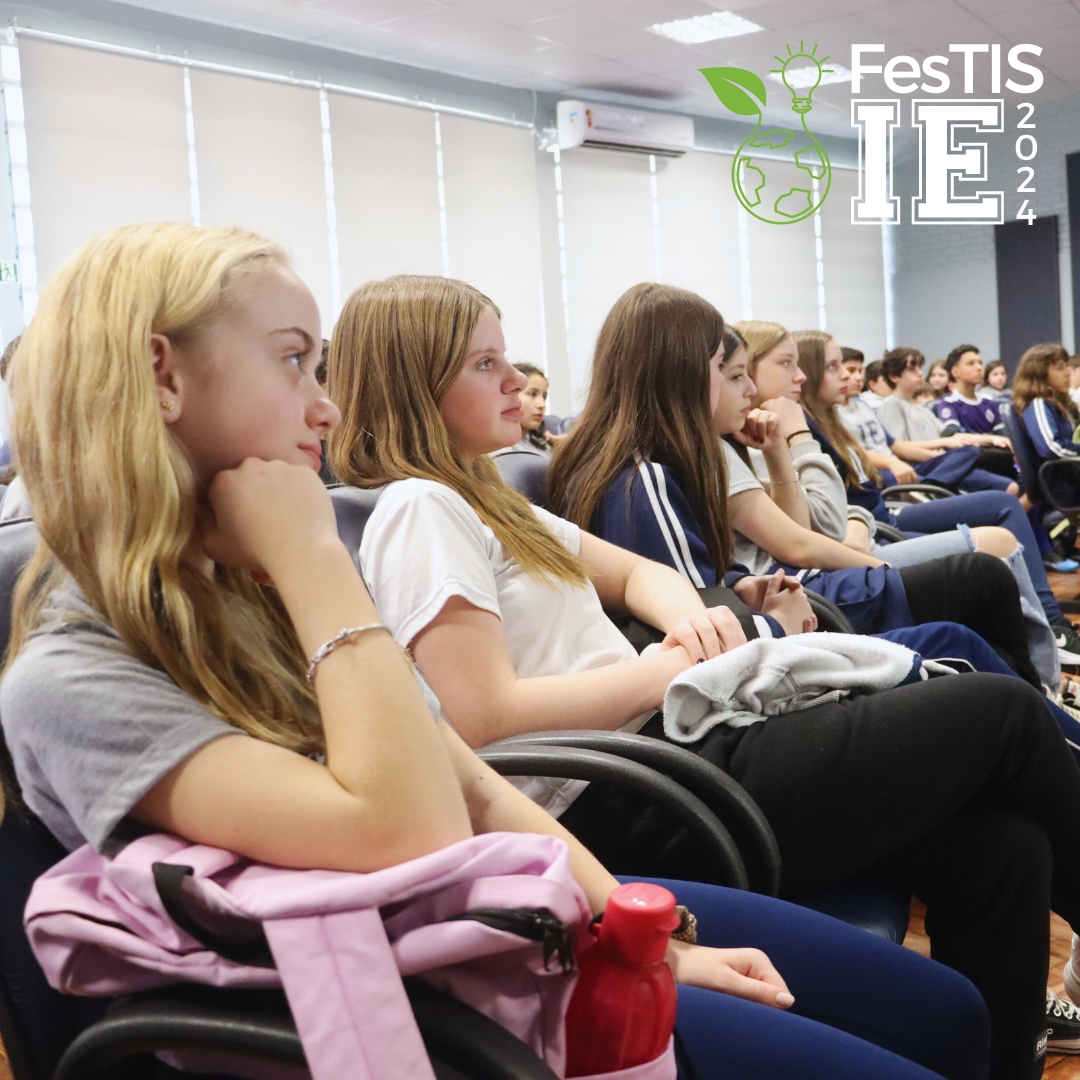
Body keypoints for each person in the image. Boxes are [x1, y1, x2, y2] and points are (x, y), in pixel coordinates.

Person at [1, 225, 987, 1080]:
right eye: (293, 361)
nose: (324, 407)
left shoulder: (244, 592)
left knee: (950, 1014)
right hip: (413, 1009)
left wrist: (639, 935)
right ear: (164, 377)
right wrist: (310, 559)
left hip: (491, 920)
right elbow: (411, 826)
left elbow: (466, 782)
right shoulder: (74, 675)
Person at [877, 348, 1018, 493]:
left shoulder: (923, 409)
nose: (920, 373)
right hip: (919, 468)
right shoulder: (891, 404)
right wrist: (940, 453)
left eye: (920, 368)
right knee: (969, 452)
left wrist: (992, 439)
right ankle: (931, 488)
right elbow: (900, 449)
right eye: (912, 369)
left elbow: (956, 438)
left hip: (942, 464)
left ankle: (936, 485)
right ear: (894, 376)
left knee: (1009, 485)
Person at [1015, 343, 1080, 461]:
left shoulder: (1065, 404)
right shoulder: (1037, 404)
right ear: (1041, 374)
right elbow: (1051, 449)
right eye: (1060, 368)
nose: (1068, 373)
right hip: (1059, 471)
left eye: (1066, 366)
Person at [931, 346, 1007, 439]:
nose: (979, 368)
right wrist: (990, 440)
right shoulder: (948, 404)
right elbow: (955, 437)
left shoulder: (988, 402)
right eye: (971, 364)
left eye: (980, 363)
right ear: (955, 372)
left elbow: (1003, 436)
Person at [499, 362, 552, 456]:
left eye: (544, 397)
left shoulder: (544, 445)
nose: (542, 405)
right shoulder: (499, 450)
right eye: (532, 394)